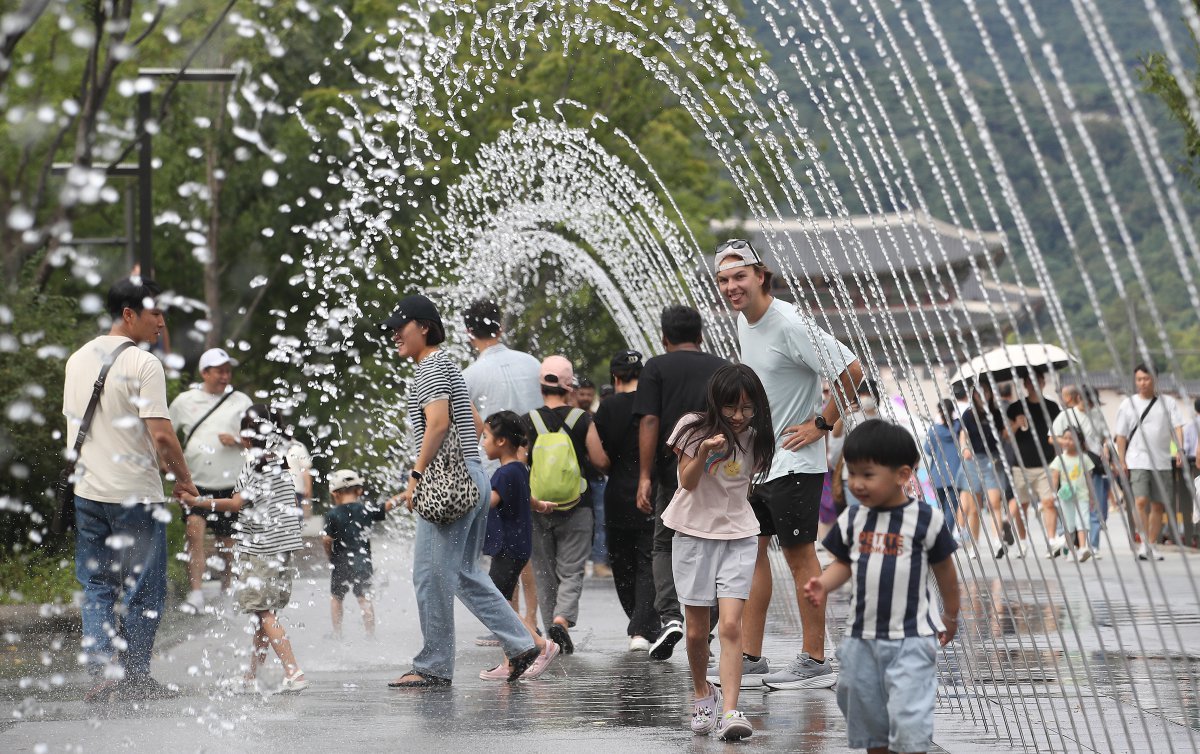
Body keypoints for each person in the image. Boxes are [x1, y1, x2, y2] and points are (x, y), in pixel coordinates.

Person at [713, 239, 864, 690]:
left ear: (762, 276)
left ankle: (815, 660)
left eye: (740, 276)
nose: (731, 287)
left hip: (796, 461)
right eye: (723, 280)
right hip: (761, 462)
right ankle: (751, 654)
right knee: (752, 553)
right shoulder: (745, 321)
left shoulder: (790, 322)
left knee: (801, 560)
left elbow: (852, 371)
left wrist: (820, 423)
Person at [383, 294, 541, 687]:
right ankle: (521, 643)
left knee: (429, 575)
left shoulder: (430, 368)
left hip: (448, 485)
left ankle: (433, 666)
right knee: (464, 573)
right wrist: (475, 470)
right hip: (470, 478)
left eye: (400, 328)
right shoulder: (446, 366)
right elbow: (472, 419)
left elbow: (437, 423)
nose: (393, 336)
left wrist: (416, 477)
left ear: (423, 326)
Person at [64, 277, 197, 703]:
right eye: (155, 313)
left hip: (87, 493)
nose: (161, 322)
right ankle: (136, 676)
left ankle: (104, 670)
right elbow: (161, 435)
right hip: (135, 496)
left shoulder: (76, 359)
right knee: (144, 586)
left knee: (98, 584)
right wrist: (184, 480)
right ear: (129, 314)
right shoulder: (144, 363)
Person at [805, 419, 960, 754]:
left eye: (868, 474)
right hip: (862, 638)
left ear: (902, 476)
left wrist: (951, 614)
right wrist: (824, 584)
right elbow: (844, 564)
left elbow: (945, 571)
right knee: (867, 716)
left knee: (908, 720)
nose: (856, 484)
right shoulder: (853, 519)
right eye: (852, 473)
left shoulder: (925, 519)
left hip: (912, 638)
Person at [664, 364, 775, 741]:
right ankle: (701, 693)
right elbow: (687, 482)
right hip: (694, 534)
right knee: (696, 632)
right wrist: (705, 451)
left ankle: (730, 710)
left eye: (747, 408)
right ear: (717, 402)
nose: (739, 416)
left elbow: (743, 482)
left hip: (739, 535)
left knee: (729, 625)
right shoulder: (692, 427)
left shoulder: (757, 437)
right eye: (731, 408)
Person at [183, 405, 307, 694]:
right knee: (262, 612)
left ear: (247, 436)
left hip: (261, 548)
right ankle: (252, 676)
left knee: (264, 612)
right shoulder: (279, 461)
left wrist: (197, 502)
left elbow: (236, 504)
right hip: (282, 549)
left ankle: (294, 671)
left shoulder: (252, 464)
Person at [634, 305, 729, 661]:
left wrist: (644, 475)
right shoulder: (722, 367)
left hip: (671, 473)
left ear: (665, 337)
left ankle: (673, 617)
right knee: (714, 544)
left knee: (665, 543)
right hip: (718, 471)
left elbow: (649, 422)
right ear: (700, 335)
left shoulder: (656, 367)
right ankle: (705, 622)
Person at [461, 298, 543, 640]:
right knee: (523, 545)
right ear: (502, 327)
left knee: (504, 544)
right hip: (534, 461)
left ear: (468, 333)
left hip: (495, 470)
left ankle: (510, 621)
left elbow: (467, 427)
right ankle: (529, 618)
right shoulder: (531, 362)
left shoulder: (470, 375)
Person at [523, 355, 610, 654]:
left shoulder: (528, 420)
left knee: (544, 572)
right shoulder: (582, 419)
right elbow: (599, 461)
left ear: (541, 385)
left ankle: (551, 634)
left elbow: (520, 464)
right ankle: (563, 619)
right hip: (577, 505)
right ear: (568, 385)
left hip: (537, 507)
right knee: (571, 570)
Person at [477, 411, 561, 681]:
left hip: (507, 549)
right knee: (504, 606)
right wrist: (542, 505)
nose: (482, 443)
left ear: (501, 441)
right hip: (515, 547)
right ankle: (511, 661)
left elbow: (488, 502)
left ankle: (540, 644)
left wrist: (462, 495)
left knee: (498, 607)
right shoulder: (519, 469)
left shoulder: (504, 473)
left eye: (486, 437)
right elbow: (528, 498)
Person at [169, 347, 254, 612]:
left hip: (231, 482)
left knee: (226, 541)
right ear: (205, 373)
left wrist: (238, 441)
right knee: (194, 531)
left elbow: (260, 438)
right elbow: (167, 437)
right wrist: (171, 472)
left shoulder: (241, 401)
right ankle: (196, 591)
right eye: (219, 371)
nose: (225, 376)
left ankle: (227, 587)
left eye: (228, 371)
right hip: (196, 481)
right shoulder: (185, 401)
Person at [594, 350, 659, 651]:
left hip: (617, 494)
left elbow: (600, 456)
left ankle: (639, 624)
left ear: (615, 378)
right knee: (649, 560)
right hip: (652, 492)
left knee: (622, 563)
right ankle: (644, 626)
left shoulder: (607, 407)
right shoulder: (654, 404)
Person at [1115, 364, 1186, 561]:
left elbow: (1177, 427)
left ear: (1154, 379)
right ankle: (1143, 542)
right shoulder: (1128, 404)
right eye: (1138, 379)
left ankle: (1152, 545)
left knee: (1158, 505)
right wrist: (1121, 460)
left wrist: (1179, 448)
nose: (1142, 383)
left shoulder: (1168, 403)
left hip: (1162, 460)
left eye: (1146, 379)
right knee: (1140, 501)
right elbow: (1120, 436)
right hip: (1137, 459)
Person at [322, 469, 393, 639]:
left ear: (334, 493)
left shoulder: (332, 514)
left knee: (337, 598)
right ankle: (370, 634)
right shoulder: (366, 509)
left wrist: (330, 556)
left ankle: (337, 633)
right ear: (359, 490)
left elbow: (326, 540)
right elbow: (387, 506)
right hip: (363, 561)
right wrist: (406, 494)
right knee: (364, 598)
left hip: (340, 561)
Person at [1005, 372, 1061, 555]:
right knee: (1022, 506)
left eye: (1038, 380)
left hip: (1047, 463)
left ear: (1044, 382)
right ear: (1025, 385)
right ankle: (1022, 542)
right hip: (1020, 464)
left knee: (1049, 503)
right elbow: (1004, 436)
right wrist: (1015, 424)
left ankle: (1052, 541)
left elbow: (1058, 432)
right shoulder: (1015, 407)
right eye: (1030, 381)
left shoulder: (1052, 407)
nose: (1034, 384)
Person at [1053, 385, 1109, 555]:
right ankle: (1071, 544)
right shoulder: (1066, 415)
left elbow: (1105, 436)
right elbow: (1052, 437)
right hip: (1071, 466)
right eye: (1089, 402)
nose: (1091, 405)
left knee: (1093, 504)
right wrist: (1070, 444)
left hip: (1093, 464)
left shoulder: (1097, 414)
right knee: (1069, 506)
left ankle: (1092, 545)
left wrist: (1106, 447)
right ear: (1079, 399)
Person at [955, 383, 1008, 560]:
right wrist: (964, 448)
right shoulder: (968, 415)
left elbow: (1004, 435)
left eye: (986, 391)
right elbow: (963, 434)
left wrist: (1014, 426)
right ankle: (973, 545)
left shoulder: (997, 413)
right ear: (974, 395)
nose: (982, 395)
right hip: (973, 460)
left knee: (995, 503)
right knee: (974, 508)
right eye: (979, 392)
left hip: (992, 460)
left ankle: (998, 541)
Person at [1046, 427, 1096, 561]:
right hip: (1066, 496)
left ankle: (1083, 548)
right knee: (1069, 524)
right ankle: (1070, 550)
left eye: (1072, 439)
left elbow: (1089, 478)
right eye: (1066, 438)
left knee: (1083, 520)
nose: (1068, 441)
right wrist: (1053, 494)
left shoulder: (1084, 458)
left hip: (1082, 495)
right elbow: (1055, 477)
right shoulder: (1060, 459)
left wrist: (1092, 497)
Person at [925, 399, 962, 536]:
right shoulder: (959, 428)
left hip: (938, 475)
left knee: (941, 507)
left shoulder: (933, 430)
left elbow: (928, 450)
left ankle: (941, 535)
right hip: (956, 475)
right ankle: (946, 536)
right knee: (952, 508)